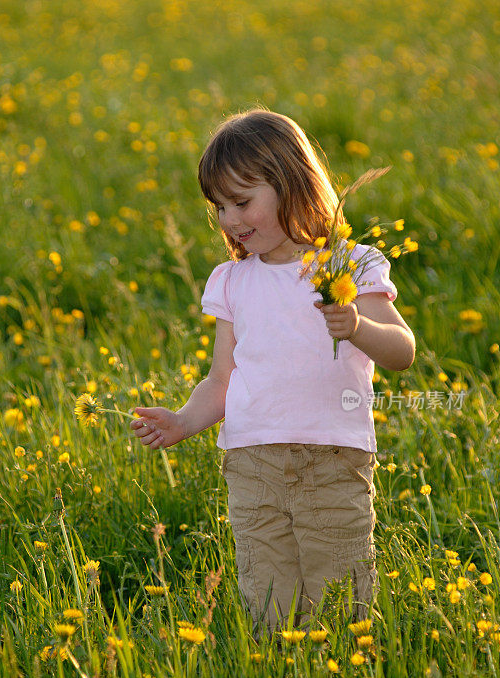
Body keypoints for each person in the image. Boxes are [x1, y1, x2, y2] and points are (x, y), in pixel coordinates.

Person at [130, 108, 415, 639]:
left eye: (242, 201)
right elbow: (222, 379)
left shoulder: (348, 266)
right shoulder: (233, 281)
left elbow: (401, 351)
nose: (230, 219)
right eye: (219, 206)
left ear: (290, 184)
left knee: (341, 597)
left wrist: (355, 326)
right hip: (252, 466)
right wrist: (183, 421)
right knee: (268, 602)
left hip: (331, 459)